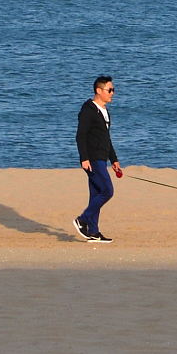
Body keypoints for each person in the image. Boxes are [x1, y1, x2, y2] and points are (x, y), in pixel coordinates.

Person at [73, 76, 125, 243]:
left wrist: (114, 160)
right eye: (109, 90)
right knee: (107, 191)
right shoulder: (88, 109)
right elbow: (81, 135)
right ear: (99, 91)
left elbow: (106, 138)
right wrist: (84, 158)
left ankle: (93, 232)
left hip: (102, 158)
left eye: (113, 90)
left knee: (96, 193)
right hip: (92, 159)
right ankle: (82, 219)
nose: (112, 93)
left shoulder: (104, 111)